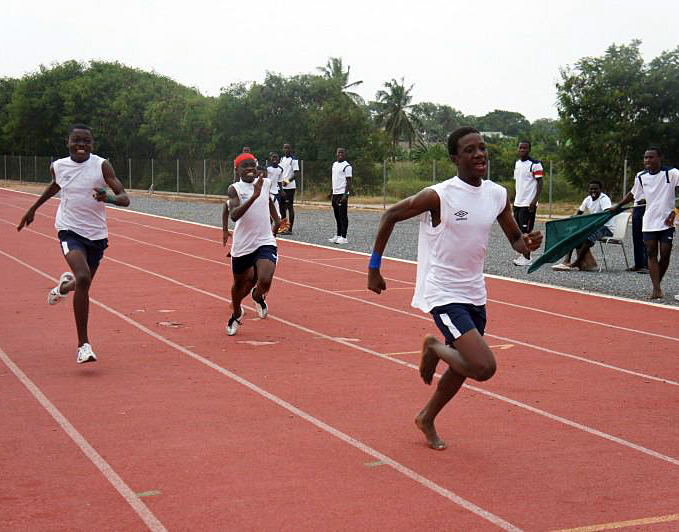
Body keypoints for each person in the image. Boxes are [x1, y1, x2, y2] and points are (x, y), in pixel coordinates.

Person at [367, 127, 542, 450]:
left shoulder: (497, 195)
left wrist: (527, 242)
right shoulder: (439, 195)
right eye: (470, 150)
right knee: (483, 366)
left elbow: (516, 241)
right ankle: (433, 347)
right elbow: (390, 214)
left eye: (482, 148)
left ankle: (426, 417)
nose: (479, 154)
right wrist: (374, 267)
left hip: (475, 292)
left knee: (462, 366)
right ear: (454, 158)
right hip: (444, 293)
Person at [16, 124, 130, 364]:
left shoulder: (101, 165)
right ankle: (83, 345)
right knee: (84, 278)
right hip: (69, 230)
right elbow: (56, 185)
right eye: (76, 141)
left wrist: (107, 197)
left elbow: (125, 198)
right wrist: (32, 209)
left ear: (93, 144)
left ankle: (63, 288)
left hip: (97, 236)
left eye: (86, 141)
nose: (81, 145)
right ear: (67, 142)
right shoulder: (58, 166)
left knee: (81, 284)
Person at [223, 153, 283, 336]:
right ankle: (236, 312)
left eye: (252, 165)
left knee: (264, 279)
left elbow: (269, 201)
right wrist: (254, 196)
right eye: (245, 166)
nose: (249, 169)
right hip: (243, 244)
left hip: (264, 240)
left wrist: (277, 220)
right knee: (240, 285)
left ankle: (258, 296)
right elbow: (233, 215)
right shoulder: (235, 189)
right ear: (237, 169)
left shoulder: (265, 183)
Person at [612, 147, 679, 299]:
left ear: (659, 158)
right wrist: (618, 206)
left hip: (667, 221)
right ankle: (656, 288)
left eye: (651, 157)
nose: (647, 160)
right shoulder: (641, 177)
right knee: (651, 253)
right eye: (645, 158)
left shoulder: (672, 173)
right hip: (649, 220)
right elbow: (633, 193)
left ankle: (657, 283)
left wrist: (675, 211)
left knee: (666, 253)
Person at [551, 180, 615, 271]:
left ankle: (578, 261)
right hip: (595, 226)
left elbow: (606, 214)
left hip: (606, 227)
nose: (593, 191)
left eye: (596, 189)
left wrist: (591, 224)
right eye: (591, 189)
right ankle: (566, 261)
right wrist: (572, 219)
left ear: (601, 189)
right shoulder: (587, 199)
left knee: (588, 236)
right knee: (574, 234)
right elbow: (579, 213)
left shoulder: (604, 199)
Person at [512, 140, 543, 266]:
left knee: (526, 232)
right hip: (518, 203)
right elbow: (518, 183)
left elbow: (540, 183)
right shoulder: (517, 163)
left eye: (525, 148)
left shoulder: (535, 164)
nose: (522, 150)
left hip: (528, 204)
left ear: (529, 149)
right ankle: (523, 254)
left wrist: (534, 201)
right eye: (520, 148)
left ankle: (528, 258)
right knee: (519, 232)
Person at [328, 147, 353, 244]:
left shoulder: (347, 166)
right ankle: (338, 235)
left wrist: (345, 194)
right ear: (336, 153)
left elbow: (349, 181)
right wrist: (331, 192)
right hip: (335, 193)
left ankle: (344, 237)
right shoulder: (334, 164)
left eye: (342, 152)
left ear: (345, 154)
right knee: (337, 216)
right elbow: (335, 179)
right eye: (339, 152)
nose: (340, 154)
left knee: (343, 216)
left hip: (342, 194)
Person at [279, 143, 299, 234]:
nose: (286, 149)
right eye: (284, 148)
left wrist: (287, 181)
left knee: (289, 206)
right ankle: (283, 227)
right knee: (281, 208)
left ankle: (290, 229)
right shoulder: (282, 159)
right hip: (281, 187)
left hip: (290, 187)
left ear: (291, 149)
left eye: (288, 148)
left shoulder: (293, 160)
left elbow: (296, 173)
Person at [629, 188, 649, 273]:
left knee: (647, 238)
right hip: (637, 207)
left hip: (648, 207)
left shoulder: (660, 175)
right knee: (636, 238)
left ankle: (646, 265)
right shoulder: (639, 175)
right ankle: (638, 264)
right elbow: (633, 192)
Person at [267, 152, 284, 217]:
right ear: (270, 158)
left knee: (276, 211)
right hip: (268, 192)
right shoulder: (267, 169)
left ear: (279, 159)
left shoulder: (281, 169)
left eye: (276, 157)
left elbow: (279, 181)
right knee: (267, 212)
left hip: (276, 192)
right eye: (273, 157)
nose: (274, 159)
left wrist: (282, 191)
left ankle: (276, 225)